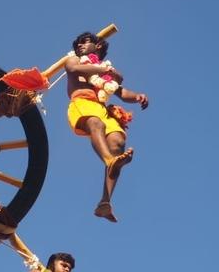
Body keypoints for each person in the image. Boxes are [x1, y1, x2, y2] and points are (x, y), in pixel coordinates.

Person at [44, 32, 149, 222]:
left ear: (98, 46)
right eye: (78, 44)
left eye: (85, 42)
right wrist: (106, 72)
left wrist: (137, 97)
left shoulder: (104, 71)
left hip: (102, 108)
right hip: (82, 104)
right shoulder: (76, 59)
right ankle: (109, 160)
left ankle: (104, 202)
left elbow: (121, 91)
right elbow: (73, 69)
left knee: (118, 141)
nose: (80, 46)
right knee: (95, 123)